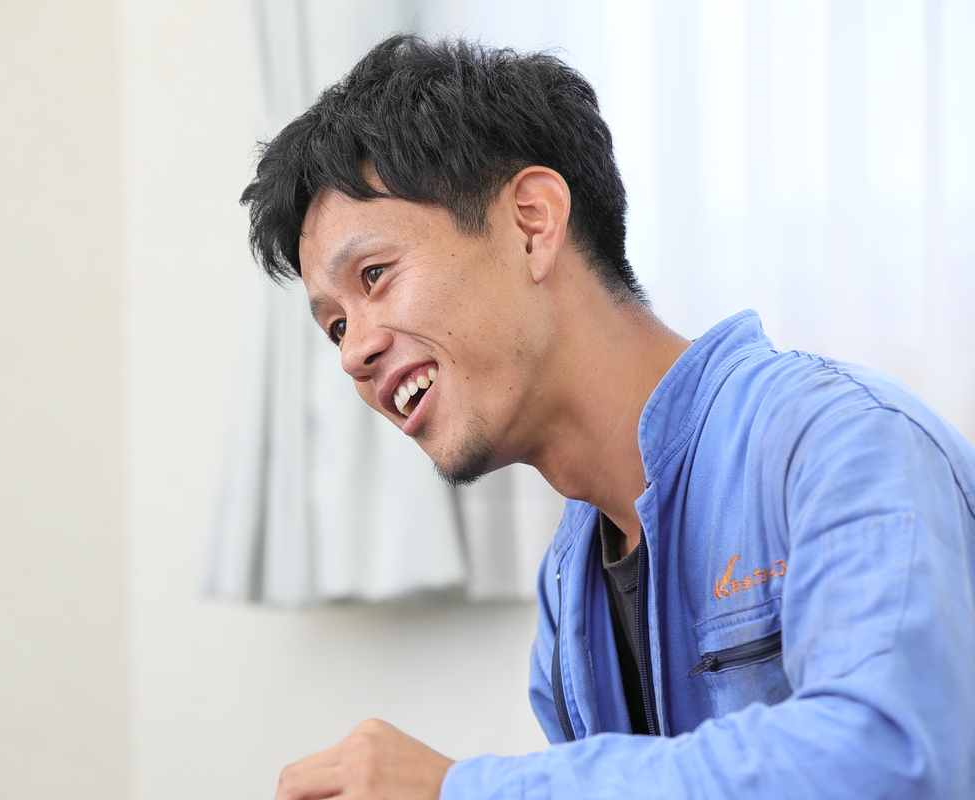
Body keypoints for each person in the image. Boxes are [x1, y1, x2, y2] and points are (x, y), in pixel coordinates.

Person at [239, 34, 975, 800]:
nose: (354, 352)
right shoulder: (569, 582)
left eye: (375, 274)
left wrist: (462, 790)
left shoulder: (842, 442)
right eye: (335, 326)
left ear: (532, 223)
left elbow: (890, 760)